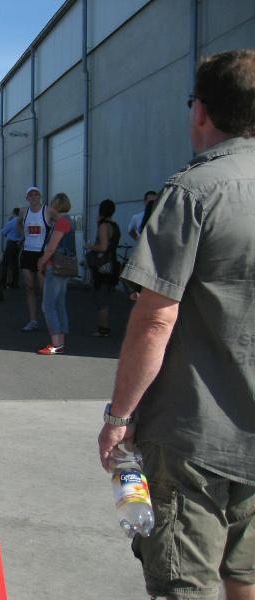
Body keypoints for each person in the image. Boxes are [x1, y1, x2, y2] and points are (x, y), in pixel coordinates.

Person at [98, 49, 255, 600]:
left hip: (194, 438)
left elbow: (154, 320)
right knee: (245, 575)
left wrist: (119, 417)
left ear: (201, 111)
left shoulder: (193, 192)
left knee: (185, 584)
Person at [35, 193, 74, 355]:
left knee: (48, 305)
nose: (48, 209)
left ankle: (56, 343)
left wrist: (42, 261)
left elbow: (52, 247)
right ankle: (60, 342)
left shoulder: (61, 223)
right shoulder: (68, 221)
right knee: (59, 304)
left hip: (55, 268)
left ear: (56, 206)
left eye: (51, 205)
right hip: (64, 268)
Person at [85, 198, 121, 337]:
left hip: (102, 264)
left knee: (100, 297)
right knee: (104, 294)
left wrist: (89, 246)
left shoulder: (103, 226)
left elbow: (103, 247)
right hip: (112, 262)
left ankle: (103, 329)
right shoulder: (115, 226)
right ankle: (103, 328)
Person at [18, 186, 49, 331]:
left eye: (36, 194)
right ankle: (32, 320)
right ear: (27, 198)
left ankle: (50, 319)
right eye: (31, 195)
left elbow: (59, 223)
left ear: (40, 197)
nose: (34, 197)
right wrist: (23, 236)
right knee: (29, 287)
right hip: (27, 253)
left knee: (43, 289)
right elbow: (18, 223)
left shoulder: (47, 211)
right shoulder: (24, 212)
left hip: (41, 253)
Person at [0, 207, 22, 289]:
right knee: (15, 264)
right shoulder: (22, 221)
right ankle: (15, 283)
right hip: (19, 244)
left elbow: (3, 232)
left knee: (5, 263)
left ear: (13, 213)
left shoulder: (11, 221)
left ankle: (3, 283)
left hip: (11, 243)